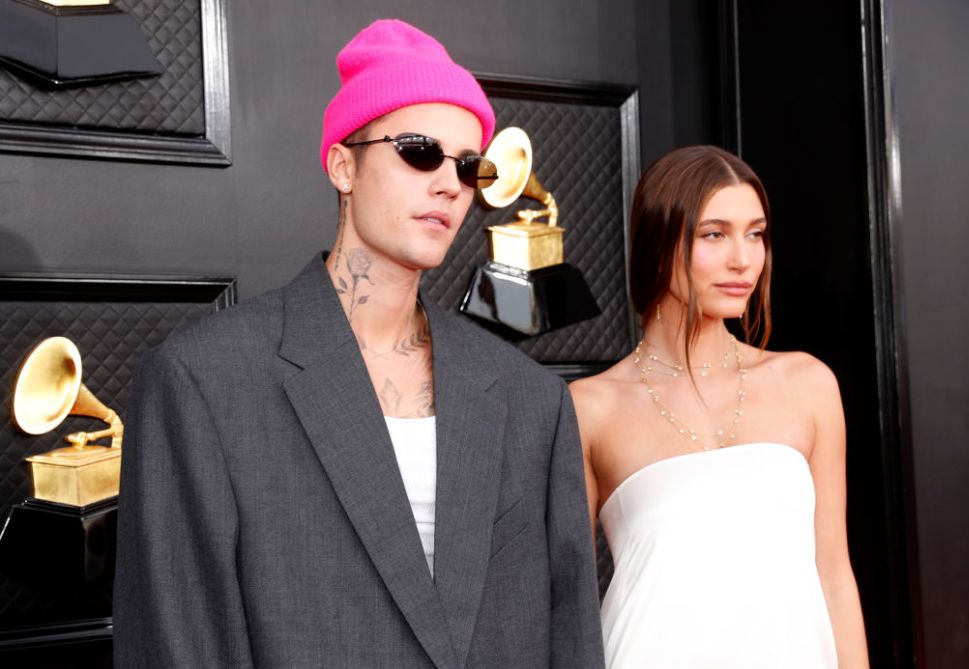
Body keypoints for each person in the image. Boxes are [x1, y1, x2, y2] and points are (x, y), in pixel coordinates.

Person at [114, 19, 605, 669]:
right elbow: (179, 641)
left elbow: (568, 634)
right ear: (343, 166)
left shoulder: (531, 399)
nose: (449, 184)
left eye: (469, 166)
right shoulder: (203, 382)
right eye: (420, 151)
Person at [570, 145, 869, 668]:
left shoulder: (807, 384)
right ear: (659, 241)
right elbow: (560, 593)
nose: (743, 259)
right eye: (714, 234)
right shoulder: (591, 407)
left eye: (755, 234)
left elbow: (834, 574)